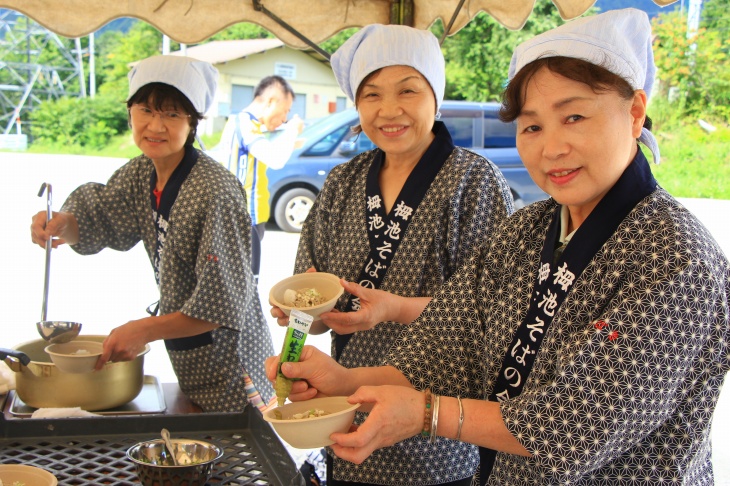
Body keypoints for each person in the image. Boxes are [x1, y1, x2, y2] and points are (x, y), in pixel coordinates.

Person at [267, 9, 730, 484]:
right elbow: (445, 349)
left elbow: (571, 427)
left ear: (634, 112)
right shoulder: (525, 233)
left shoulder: (675, 255)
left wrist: (428, 413)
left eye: (573, 117)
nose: (551, 148)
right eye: (531, 127)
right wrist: (341, 380)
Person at [271, 24, 515, 486]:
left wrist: (391, 311)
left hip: (437, 433)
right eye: (371, 95)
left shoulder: (474, 184)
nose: (389, 110)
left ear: (436, 97)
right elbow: (312, 306)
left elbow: (490, 315)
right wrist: (294, 356)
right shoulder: (342, 182)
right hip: (347, 416)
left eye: (409, 90)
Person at [29, 55, 276, 413]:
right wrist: (62, 224)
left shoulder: (214, 191)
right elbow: (103, 216)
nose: (155, 126)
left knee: (236, 458)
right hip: (193, 359)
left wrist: (143, 329)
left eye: (172, 114)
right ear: (130, 112)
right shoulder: (142, 172)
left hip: (235, 366)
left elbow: (221, 305)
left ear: (193, 122)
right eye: (146, 110)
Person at [216, 75, 304, 282]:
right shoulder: (246, 123)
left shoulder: (239, 122)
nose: (284, 118)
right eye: (285, 110)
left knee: (238, 281)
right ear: (272, 101)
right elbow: (275, 159)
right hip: (246, 218)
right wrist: (292, 130)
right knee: (246, 283)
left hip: (240, 217)